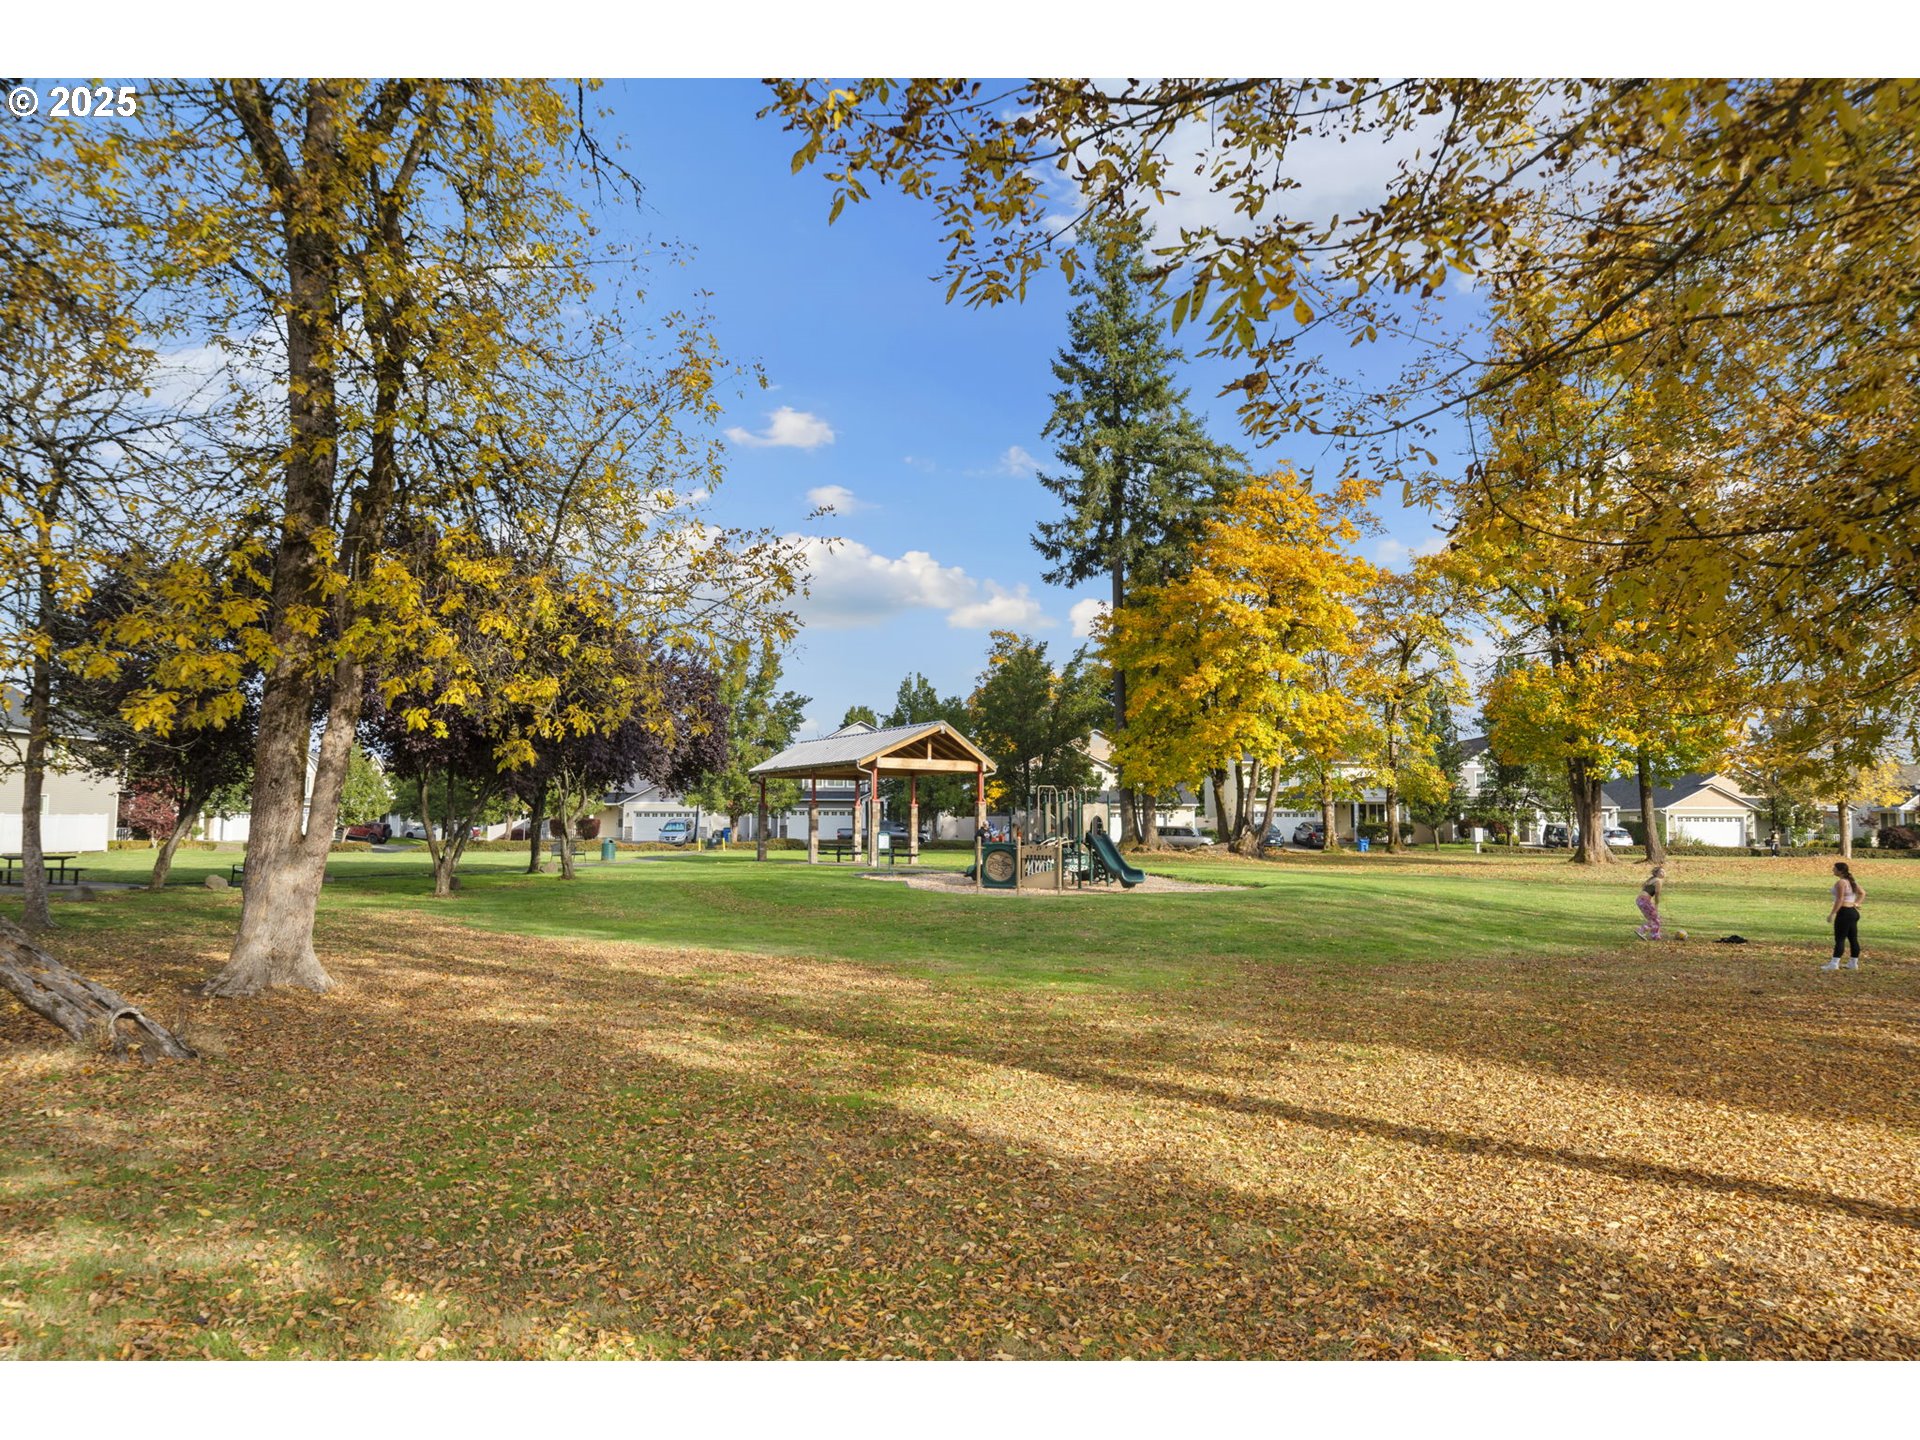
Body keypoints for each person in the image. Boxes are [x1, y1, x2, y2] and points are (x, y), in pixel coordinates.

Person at [1822, 861, 1865, 971]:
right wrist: (1856, 903)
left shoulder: (1841, 883)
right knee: (1853, 938)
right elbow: (1862, 893)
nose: (1833, 870)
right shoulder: (1851, 881)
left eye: (1834, 868)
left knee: (1840, 939)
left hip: (1844, 913)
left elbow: (1840, 899)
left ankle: (1834, 964)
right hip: (1853, 912)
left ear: (1840, 871)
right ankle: (1853, 963)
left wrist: (1832, 913)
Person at [1635, 864, 1666, 940]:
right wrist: (1656, 907)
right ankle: (1642, 931)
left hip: (1640, 900)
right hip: (1644, 900)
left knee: (1653, 918)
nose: (1664, 873)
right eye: (1661, 872)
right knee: (1655, 918)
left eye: (1664, 871)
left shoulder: (1652, 879)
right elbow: (1657, 895)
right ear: (1656, 873)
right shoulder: (1658, 881)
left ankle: (1654, 935)